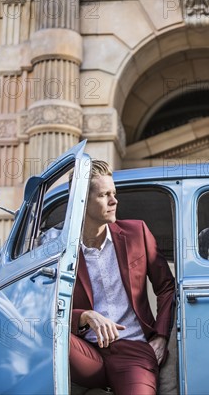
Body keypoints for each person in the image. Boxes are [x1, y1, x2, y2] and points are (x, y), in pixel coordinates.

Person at [69, 159, 175, 395]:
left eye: (114, 193)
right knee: (48, 335)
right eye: (104, 195)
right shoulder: (59, 248)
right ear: (82, 202)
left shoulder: (137, 233)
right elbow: (43, 307)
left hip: (134, 349)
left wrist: (160, 336)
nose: (114, 200)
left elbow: (167, 286)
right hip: (85, 351)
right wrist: (84, 316)